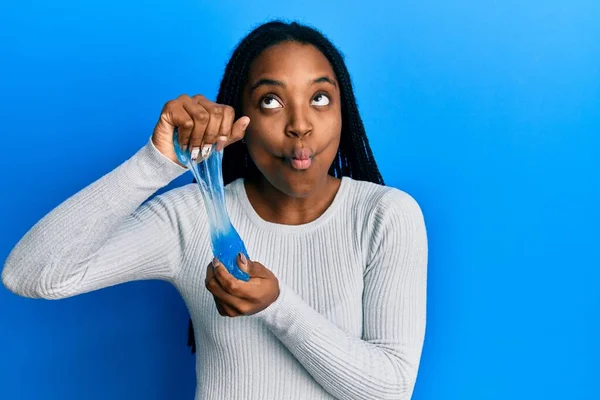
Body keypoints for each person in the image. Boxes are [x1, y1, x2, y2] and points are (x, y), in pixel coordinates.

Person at [2, 20, 428, 400]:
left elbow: (390, 390)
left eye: (319, 98)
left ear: (343, 111)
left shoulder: (385, 217)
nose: (300, 123)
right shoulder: (193, 218)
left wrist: (277, 306)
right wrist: (156, 162)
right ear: (239, 118)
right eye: (271, 102)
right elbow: (30, 274)